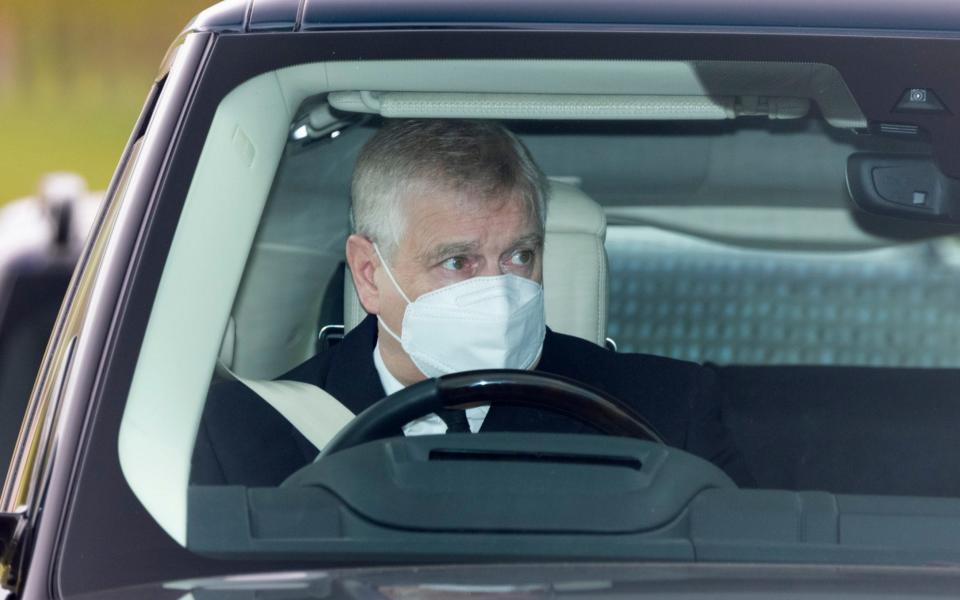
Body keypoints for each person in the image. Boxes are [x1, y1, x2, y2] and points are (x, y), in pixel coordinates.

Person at [192, 119, 753, 487]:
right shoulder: (245, 438)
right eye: (458, 262)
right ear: (369, 272)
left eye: (519, 256)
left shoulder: (664, 413)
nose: (500, 289)